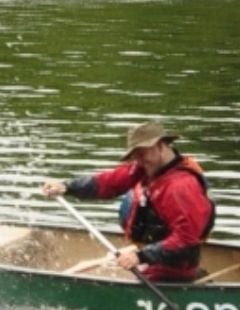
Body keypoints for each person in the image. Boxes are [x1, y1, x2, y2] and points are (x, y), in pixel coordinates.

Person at [41, 120, 215, 281]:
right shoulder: (151, 167)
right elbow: (110, 182)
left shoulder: (180, 187)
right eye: (135, 154)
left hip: (174, 268)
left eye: (142, 152)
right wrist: (68, 187)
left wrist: (140, 256)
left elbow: (186, 240)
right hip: (157, 257)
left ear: (161, 145)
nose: (138, 159)